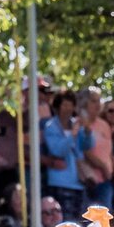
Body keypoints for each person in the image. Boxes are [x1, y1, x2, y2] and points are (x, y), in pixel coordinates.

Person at [41, 90, 94, 218]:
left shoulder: (76, 124)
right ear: (58, 107)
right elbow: (57, 150)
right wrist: (72, 135)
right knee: (65, 222)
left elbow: (87, 146)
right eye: (65, 105)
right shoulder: (51, 126)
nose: (68, 109)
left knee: (80, 222)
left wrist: (87, 131)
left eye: (71, 105)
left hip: (79, 181)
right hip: (60, 182)